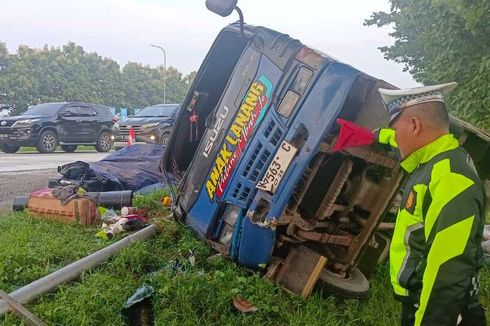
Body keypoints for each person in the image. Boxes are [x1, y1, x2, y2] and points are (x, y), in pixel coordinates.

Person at [376, 82, 487, 326]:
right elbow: (392, 140)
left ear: (415, 125)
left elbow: (447, 274)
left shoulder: (450, 178)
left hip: (443, 313)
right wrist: (371, 135)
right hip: (421, 304)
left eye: (395, 130)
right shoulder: (435, 159)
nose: (395, 139)